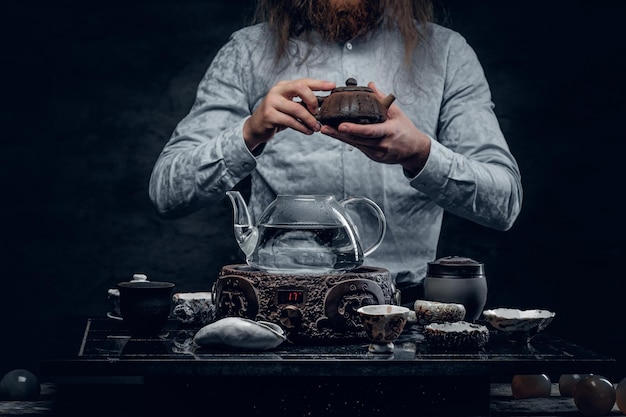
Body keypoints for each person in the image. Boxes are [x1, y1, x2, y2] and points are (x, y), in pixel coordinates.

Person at [149, 0, 523, 304]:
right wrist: (249, 132)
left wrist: (420, 153)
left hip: (404, 308)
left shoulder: (445, 52)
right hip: (279, 304)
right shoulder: (247, 52)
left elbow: (504, 202)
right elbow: (167, 193)